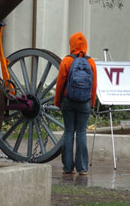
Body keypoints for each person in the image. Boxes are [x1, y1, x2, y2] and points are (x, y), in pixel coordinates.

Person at [54, 32, 97, 175]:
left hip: (68, 101)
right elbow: (94, 85)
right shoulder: (90, 62)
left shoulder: (66, 61)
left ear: (71, 44)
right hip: (84, 102)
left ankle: (67, 168)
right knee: (81, 133)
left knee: (68, 132)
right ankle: (82, 168)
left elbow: (60, 83)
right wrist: (91, 102)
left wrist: (58, 101)